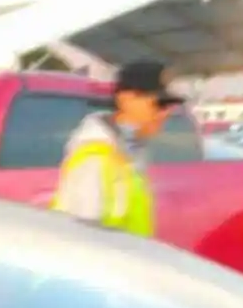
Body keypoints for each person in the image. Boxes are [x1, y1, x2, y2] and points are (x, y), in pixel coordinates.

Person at [51, 59, 183, 237]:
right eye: (159, 104)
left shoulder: (130, 154)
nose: (166, 113)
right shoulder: (95, 161)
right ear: (127, 99)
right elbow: (82, 242)